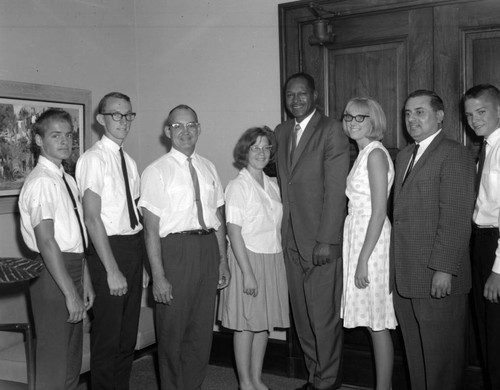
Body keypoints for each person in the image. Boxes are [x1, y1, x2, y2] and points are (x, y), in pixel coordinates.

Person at [139, 104, 230, 390]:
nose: (185, 131)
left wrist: (223, 260)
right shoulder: (156, 171)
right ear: (168, 131)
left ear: (199, 129)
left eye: (191, 125)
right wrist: (159, 275)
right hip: (175, 251)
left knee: (201, 333)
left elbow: (218, 217)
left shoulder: (208, 166)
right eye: (178, 126)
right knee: (172, 333)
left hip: (208, 248)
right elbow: (150, 230)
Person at [392, 89, 475, 390]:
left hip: (437, 277)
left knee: (441, 362)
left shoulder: (454, 153)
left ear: (440, 116)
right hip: (407, 275)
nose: (412, 119)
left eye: (420, 112)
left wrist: (443, 268)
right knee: (417, 358)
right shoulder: (404, 156)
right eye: (407, 113)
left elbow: (454, 217)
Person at [274, 72, 350, 390]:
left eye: (302, 94)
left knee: (323, 316)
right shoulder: (280, 132)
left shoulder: (331, 130)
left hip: (320, 241)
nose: (296, 100)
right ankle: (313, 376)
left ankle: (328, 381)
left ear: (314, 95)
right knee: (303, 316)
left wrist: (327, 240)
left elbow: (336, 191)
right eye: (290, 95)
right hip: (290, 238)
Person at [75, 92, 147, 389]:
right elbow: (92, 219)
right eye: (116, 115)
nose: (124, 121)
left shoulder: (128, 161)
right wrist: (112, 269)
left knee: (126, 338)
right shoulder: (92, 160)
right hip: (108, 250)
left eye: (128, 115)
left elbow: (134, 216)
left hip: (132, 247)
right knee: (107, 339)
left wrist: (139, 265)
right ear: (100, 118)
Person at [18, 108, 94, 390]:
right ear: (39, 140)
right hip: (53, 274)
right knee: (54, 361)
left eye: (68, 135)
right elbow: (47, 241)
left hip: (73, 267)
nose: (65, 141)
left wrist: (83, 280)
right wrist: (69, 293)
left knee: (70, 359)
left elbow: (76, 237)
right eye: (55, 135)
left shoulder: (66, 178)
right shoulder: (40, 182)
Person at [218, 126, 290, 390]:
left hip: (271, 258)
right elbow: (233, 232)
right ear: (245, 151)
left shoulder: (272, 184)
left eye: (265, 147)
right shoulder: (238, 186)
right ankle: (245, 382)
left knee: (263, 325)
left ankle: (257, 378)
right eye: (255, 147)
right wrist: (247, 273)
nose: (261, 152)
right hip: (247, 259)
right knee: (245, 325)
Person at [340, 98, 397, 390]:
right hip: (359, 234)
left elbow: (378, 211)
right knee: (375, 323)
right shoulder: (363, 153)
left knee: (379, 322)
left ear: (373, 121)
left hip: (370, 240)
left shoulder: (375, 154)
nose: (352, 122)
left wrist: (363, 259)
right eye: (348, 116)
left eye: (359, 118)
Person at [464, 84, 500, 390]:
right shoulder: (486, 148)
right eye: (469, 114)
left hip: (495, 248)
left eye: (481, 111)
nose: (474, 119)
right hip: (480, 243)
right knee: (487, 334)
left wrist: (498, 271)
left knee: (497, 336)